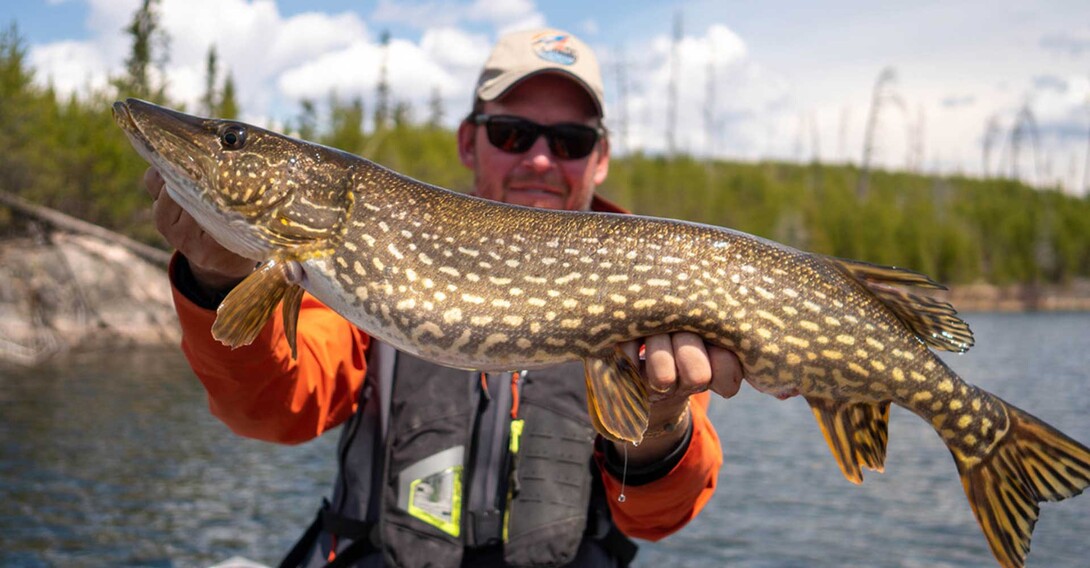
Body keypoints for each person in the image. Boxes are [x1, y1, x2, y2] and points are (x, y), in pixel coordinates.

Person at [144, 28, 744, 568]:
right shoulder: (369, 252)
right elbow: (273, 409)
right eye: (512, 133)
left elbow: (660, 517)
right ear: (468, 142)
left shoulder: (657, 275)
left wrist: (662, 423)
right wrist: (216, 280)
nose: (539, 158)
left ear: (601, 157)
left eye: (569, 141)